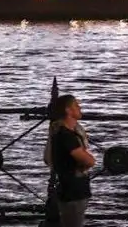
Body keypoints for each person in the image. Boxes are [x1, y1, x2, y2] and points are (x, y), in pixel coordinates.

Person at [48, 95, 95, 227]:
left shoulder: (63, 133)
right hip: (74, 191)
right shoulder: (67, 136)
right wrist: (88, 159)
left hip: (72, 189)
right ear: (68, 110)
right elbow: (89, 161)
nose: (79, 108)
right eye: (76, 105)